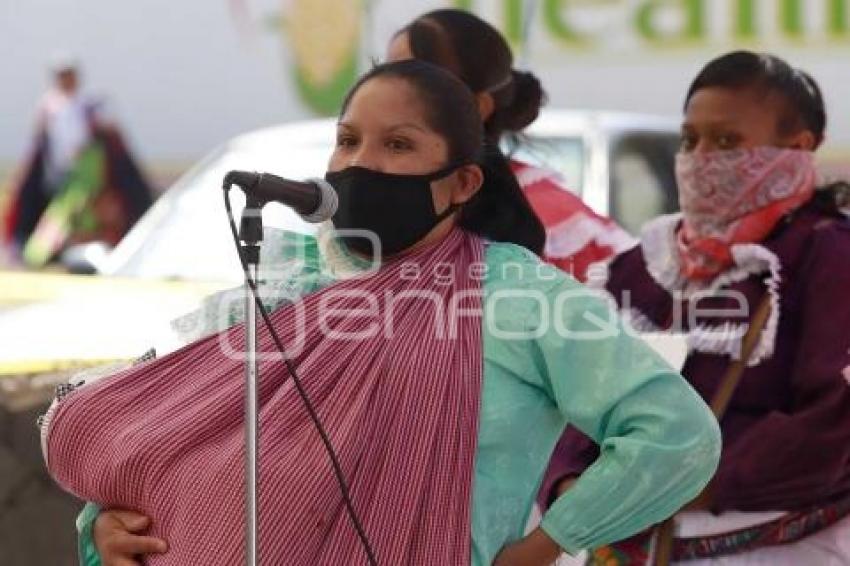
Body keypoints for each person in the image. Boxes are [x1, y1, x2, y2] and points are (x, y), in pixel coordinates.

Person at [43, 60, 721, 566]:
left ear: (461, 182)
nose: (361, 163)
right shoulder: (289, 281)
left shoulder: (517, 296)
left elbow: (675, 435)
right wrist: (103, 528)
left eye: (398, 145)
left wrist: (543, 548)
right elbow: (182, 440)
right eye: (347, 140)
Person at [544, 51, 850, 564]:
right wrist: (570, 484)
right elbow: (574, 395)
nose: (701, 156)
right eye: (690, 140)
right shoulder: (640, 267)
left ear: (797, 150)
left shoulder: (830, 258)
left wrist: (682, 484)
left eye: (727, 141)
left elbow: (833, 425)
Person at [386, 9, 636, 281]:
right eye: (382, 75)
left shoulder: (552, 222)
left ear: (475, 107)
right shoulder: (370, 202)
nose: (379, 94)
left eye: (411, 81)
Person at [2, 55, 152, 267]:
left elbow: (110, 141)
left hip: (91, 178)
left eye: (68, 75)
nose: (65, 80)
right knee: (59, 218)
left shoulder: (92, 104)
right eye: (61, 76)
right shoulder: (48, 106)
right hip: (61, 179)